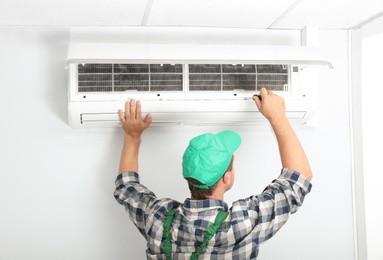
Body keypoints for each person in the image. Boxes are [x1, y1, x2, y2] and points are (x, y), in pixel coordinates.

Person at [114, 88, 313, 259]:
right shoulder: (240, 225)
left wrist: (132, 135)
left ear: (188, 177)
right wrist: (277, 116)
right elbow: (298, 180)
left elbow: (127, 187)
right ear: (227, 178)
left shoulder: (157, 217)